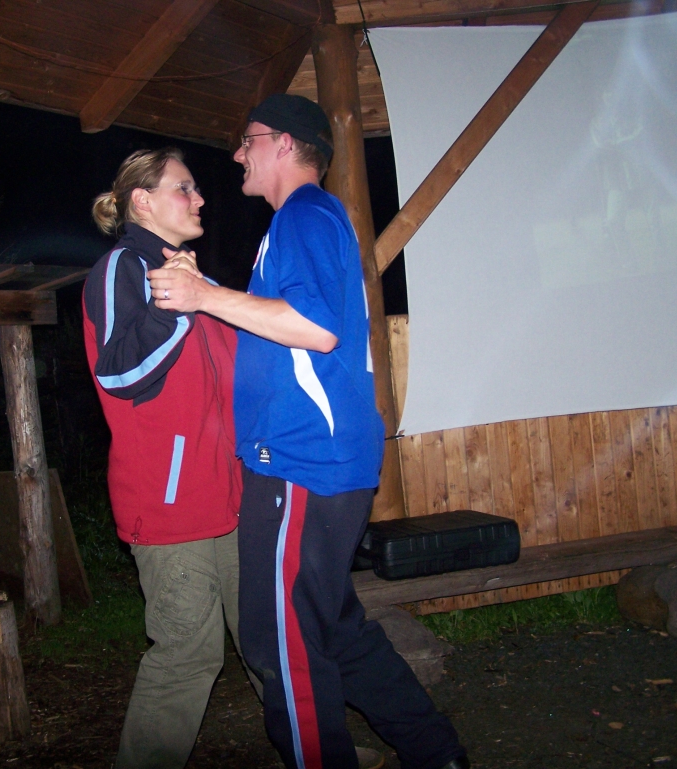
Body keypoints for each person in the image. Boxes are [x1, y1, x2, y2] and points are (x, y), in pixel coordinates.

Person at [147, 94, 469, 769]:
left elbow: (315, 329)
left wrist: (204, 295)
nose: (238, 154)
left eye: (249, 140)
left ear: (285, 144)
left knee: (280, 642)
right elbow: (288, 329)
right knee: (333, 629)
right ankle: (436, 752)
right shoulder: (308, 221)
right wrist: (213, 297)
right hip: (321, 464)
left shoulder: (303, 214)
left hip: (300, 464)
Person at [83, 147, 252, 769]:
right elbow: (119, 373)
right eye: (185, 188)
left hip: (235, 496)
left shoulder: (194, 282)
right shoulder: (123, 268)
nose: (200, 198)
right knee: (187, 655)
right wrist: (176, 306)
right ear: (143, 201)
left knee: (268, 640)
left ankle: (320, 752)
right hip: (170, 504)